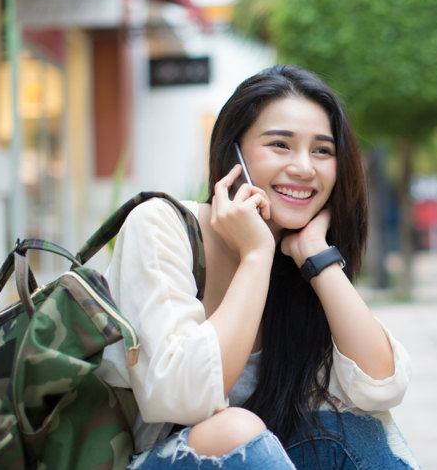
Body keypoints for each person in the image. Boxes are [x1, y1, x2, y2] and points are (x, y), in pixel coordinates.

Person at [96, 65, 417, 470]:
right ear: (233, 154)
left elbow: (380, 388)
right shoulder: (161, 225)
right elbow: (181, 397)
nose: (304, 167)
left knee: (352, 428)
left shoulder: (298, 261)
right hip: (152, 460)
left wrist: (317, 257)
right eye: (280, 145)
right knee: (234, 429)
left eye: (322, 150)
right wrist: (255, 255)